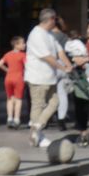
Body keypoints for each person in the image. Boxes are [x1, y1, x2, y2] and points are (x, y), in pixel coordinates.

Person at [25, 8, 68, 148]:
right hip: (37, 76)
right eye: (55, 19)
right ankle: (37, 134)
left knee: (55, 102)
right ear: (50, 19)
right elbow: (47, 57)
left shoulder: (49, 34)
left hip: (50, 77)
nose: (56, 22)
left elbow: (59, 50)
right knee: (38, 104)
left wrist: (68, 64)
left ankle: (37, 127)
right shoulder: (36, 34)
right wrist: (62, 67)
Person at [0, 36, 27, 129]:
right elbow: (27, 65)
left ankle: (9, 118)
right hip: (19, 79)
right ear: (16, 45)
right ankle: (16, 119)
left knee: (10, 99)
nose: (24, 45)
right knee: (18, 100)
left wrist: (7, 70)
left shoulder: (8, 54)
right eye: (22, 43)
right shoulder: (23, 55)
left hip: (8, 78)